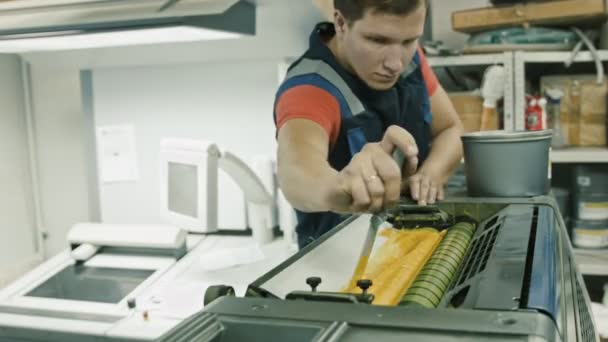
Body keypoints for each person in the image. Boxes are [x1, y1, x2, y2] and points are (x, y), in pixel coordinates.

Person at [274, 0, 463, 248]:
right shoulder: (310, 89)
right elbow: (296, 173)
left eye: (408, 41)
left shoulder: (411, 59)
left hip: (413, 240)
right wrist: (339, 188)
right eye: (377, 41)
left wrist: (431, 174)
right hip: (341, 261)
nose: (395, 64)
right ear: (341, 23)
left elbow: (450, 129)